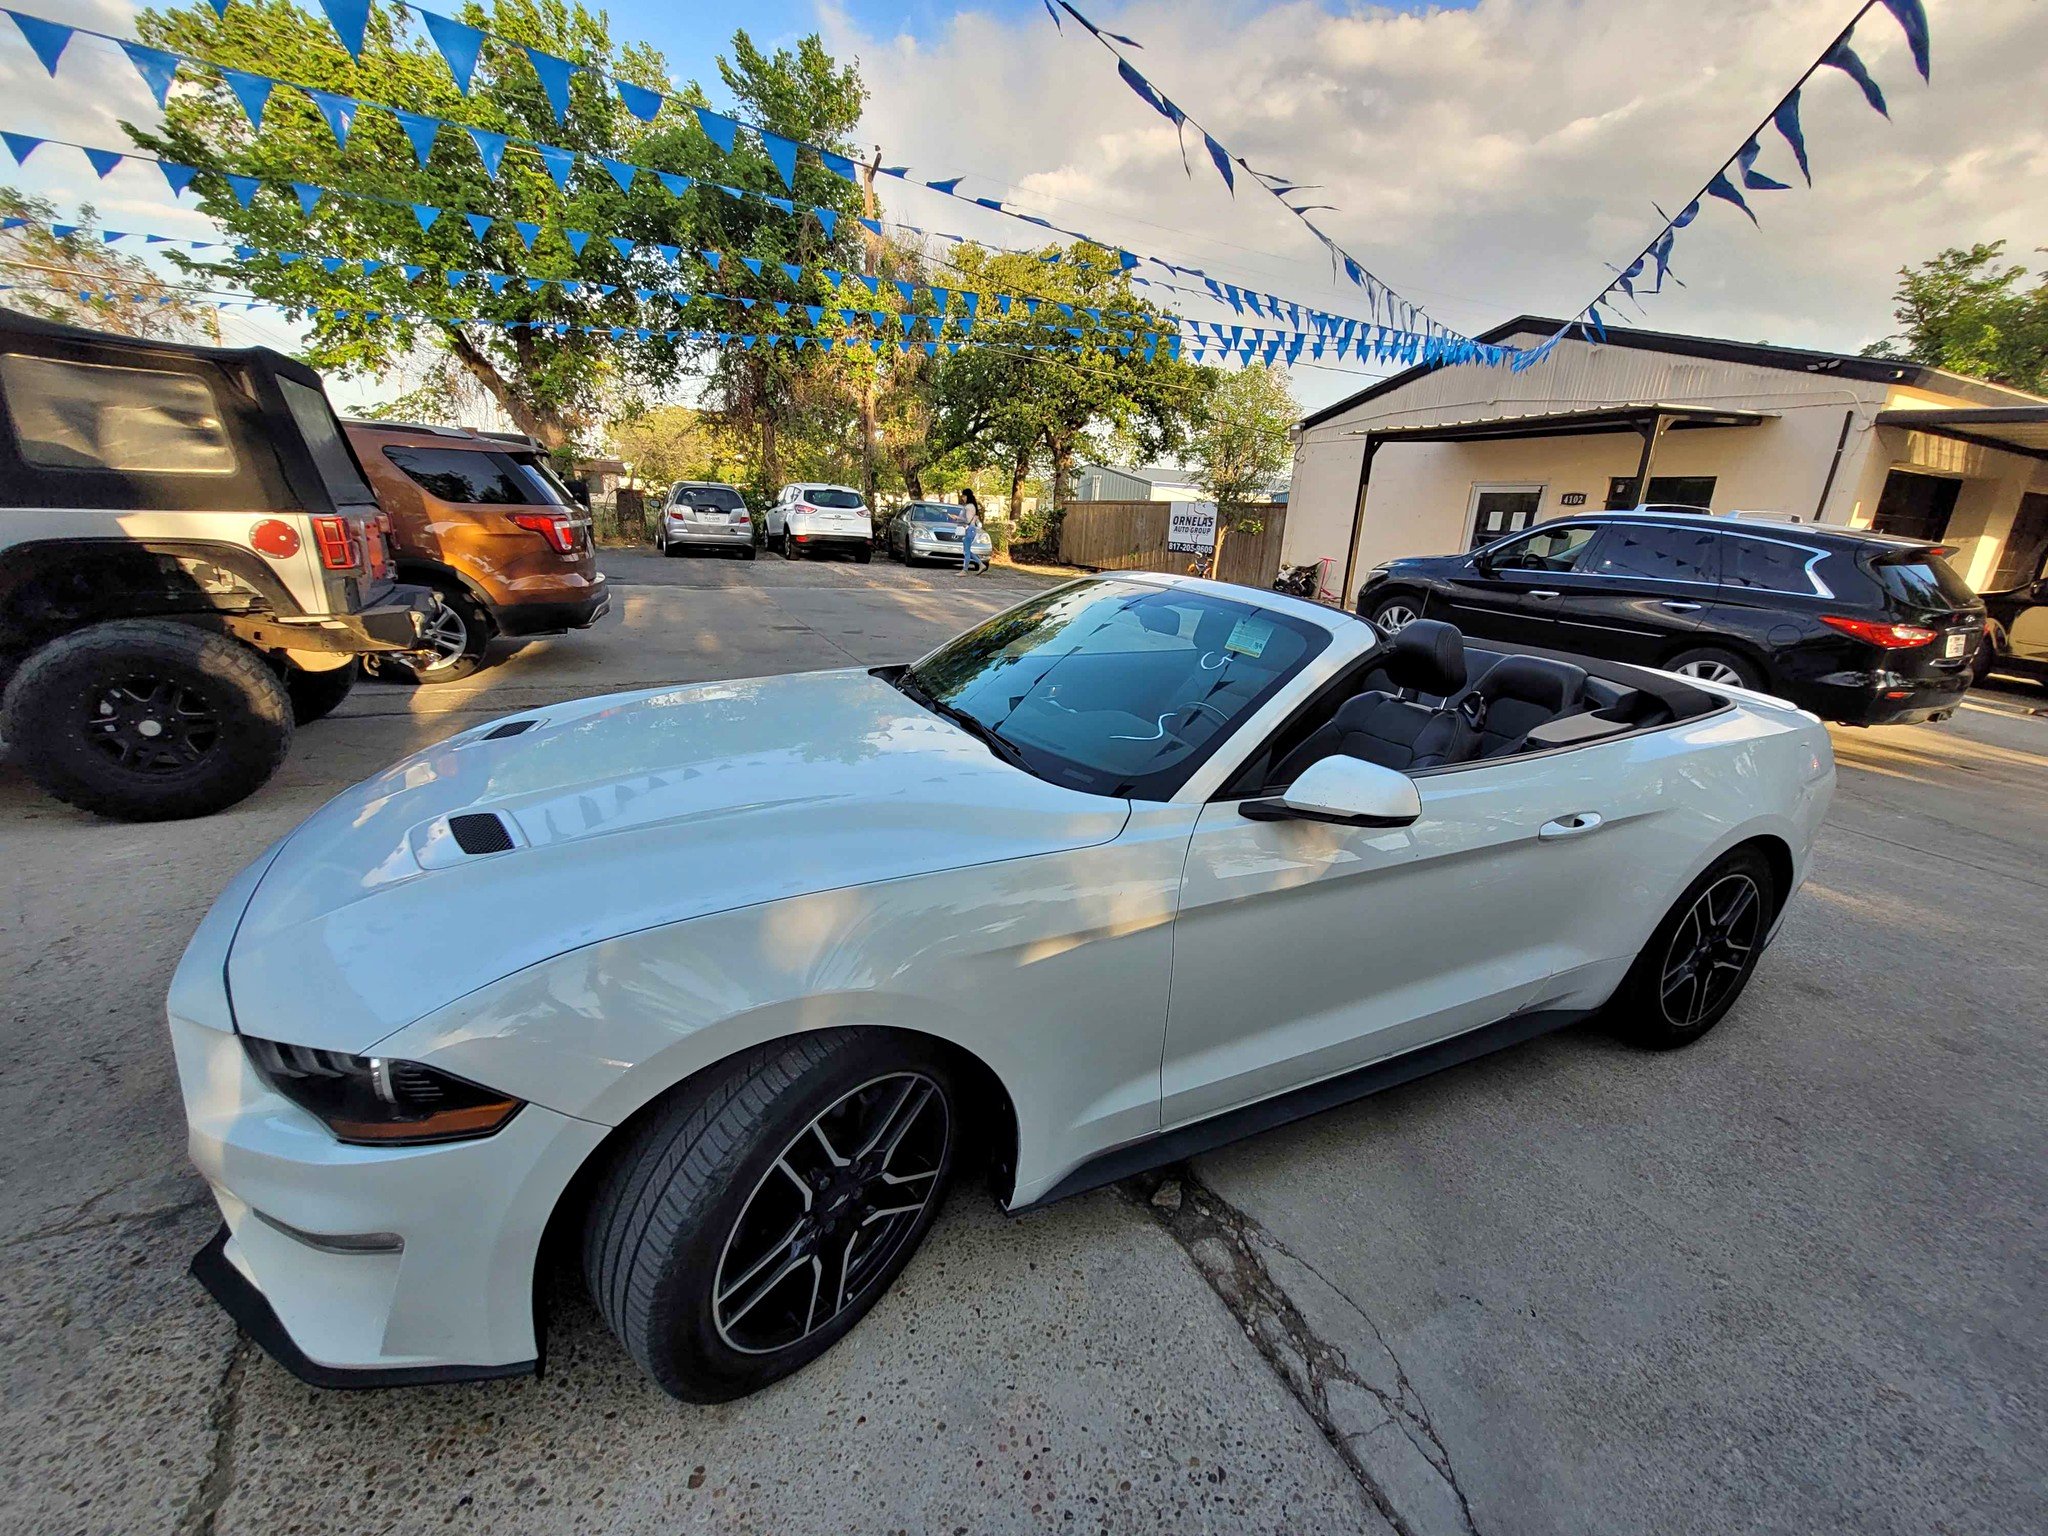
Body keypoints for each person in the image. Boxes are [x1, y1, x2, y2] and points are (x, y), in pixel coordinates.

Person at [958, 492, 989, 576]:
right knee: (967, 550)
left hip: (969, 529)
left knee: (966, 552)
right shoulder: (972, 506)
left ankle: (965, 570)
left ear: (968, 497)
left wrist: (957, 518)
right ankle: (981, 564)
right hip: (970, 529)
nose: (962, 498)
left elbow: (967, 520)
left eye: (964, 496)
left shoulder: (969, 507)